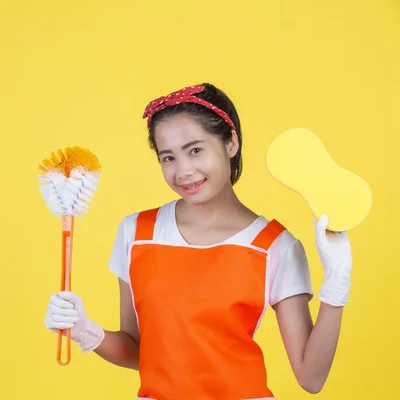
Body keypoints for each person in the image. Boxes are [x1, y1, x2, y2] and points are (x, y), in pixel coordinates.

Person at [44, 83, 353, 400]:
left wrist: (337, 279)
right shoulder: (137, 232)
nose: (183, 171)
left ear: (230, 142)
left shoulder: (274, 246)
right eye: (168, 157)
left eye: (195, 150)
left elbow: (311, 377)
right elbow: (139, 352)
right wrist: (84, 330)